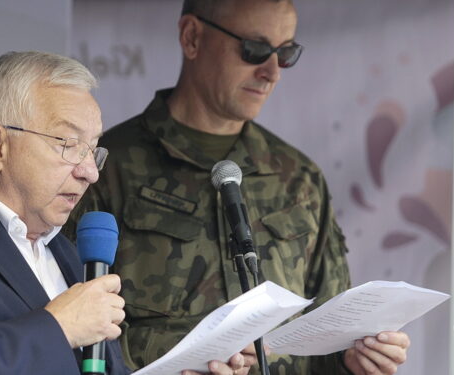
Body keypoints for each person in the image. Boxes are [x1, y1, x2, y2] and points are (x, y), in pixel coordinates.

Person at [64, 1, 411, 374]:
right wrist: (194, 353)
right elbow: (71, 330)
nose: (271, 71)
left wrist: (355, 359)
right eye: (255, 49)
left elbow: (330, 336)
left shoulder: (298, 178)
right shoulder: (103, 168)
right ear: (192, 37)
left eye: (286, 53)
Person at [0, 51, 249, 375]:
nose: (90, 171)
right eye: (68, 143)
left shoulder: (66, 251)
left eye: (93, 149)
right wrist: (59, 327)